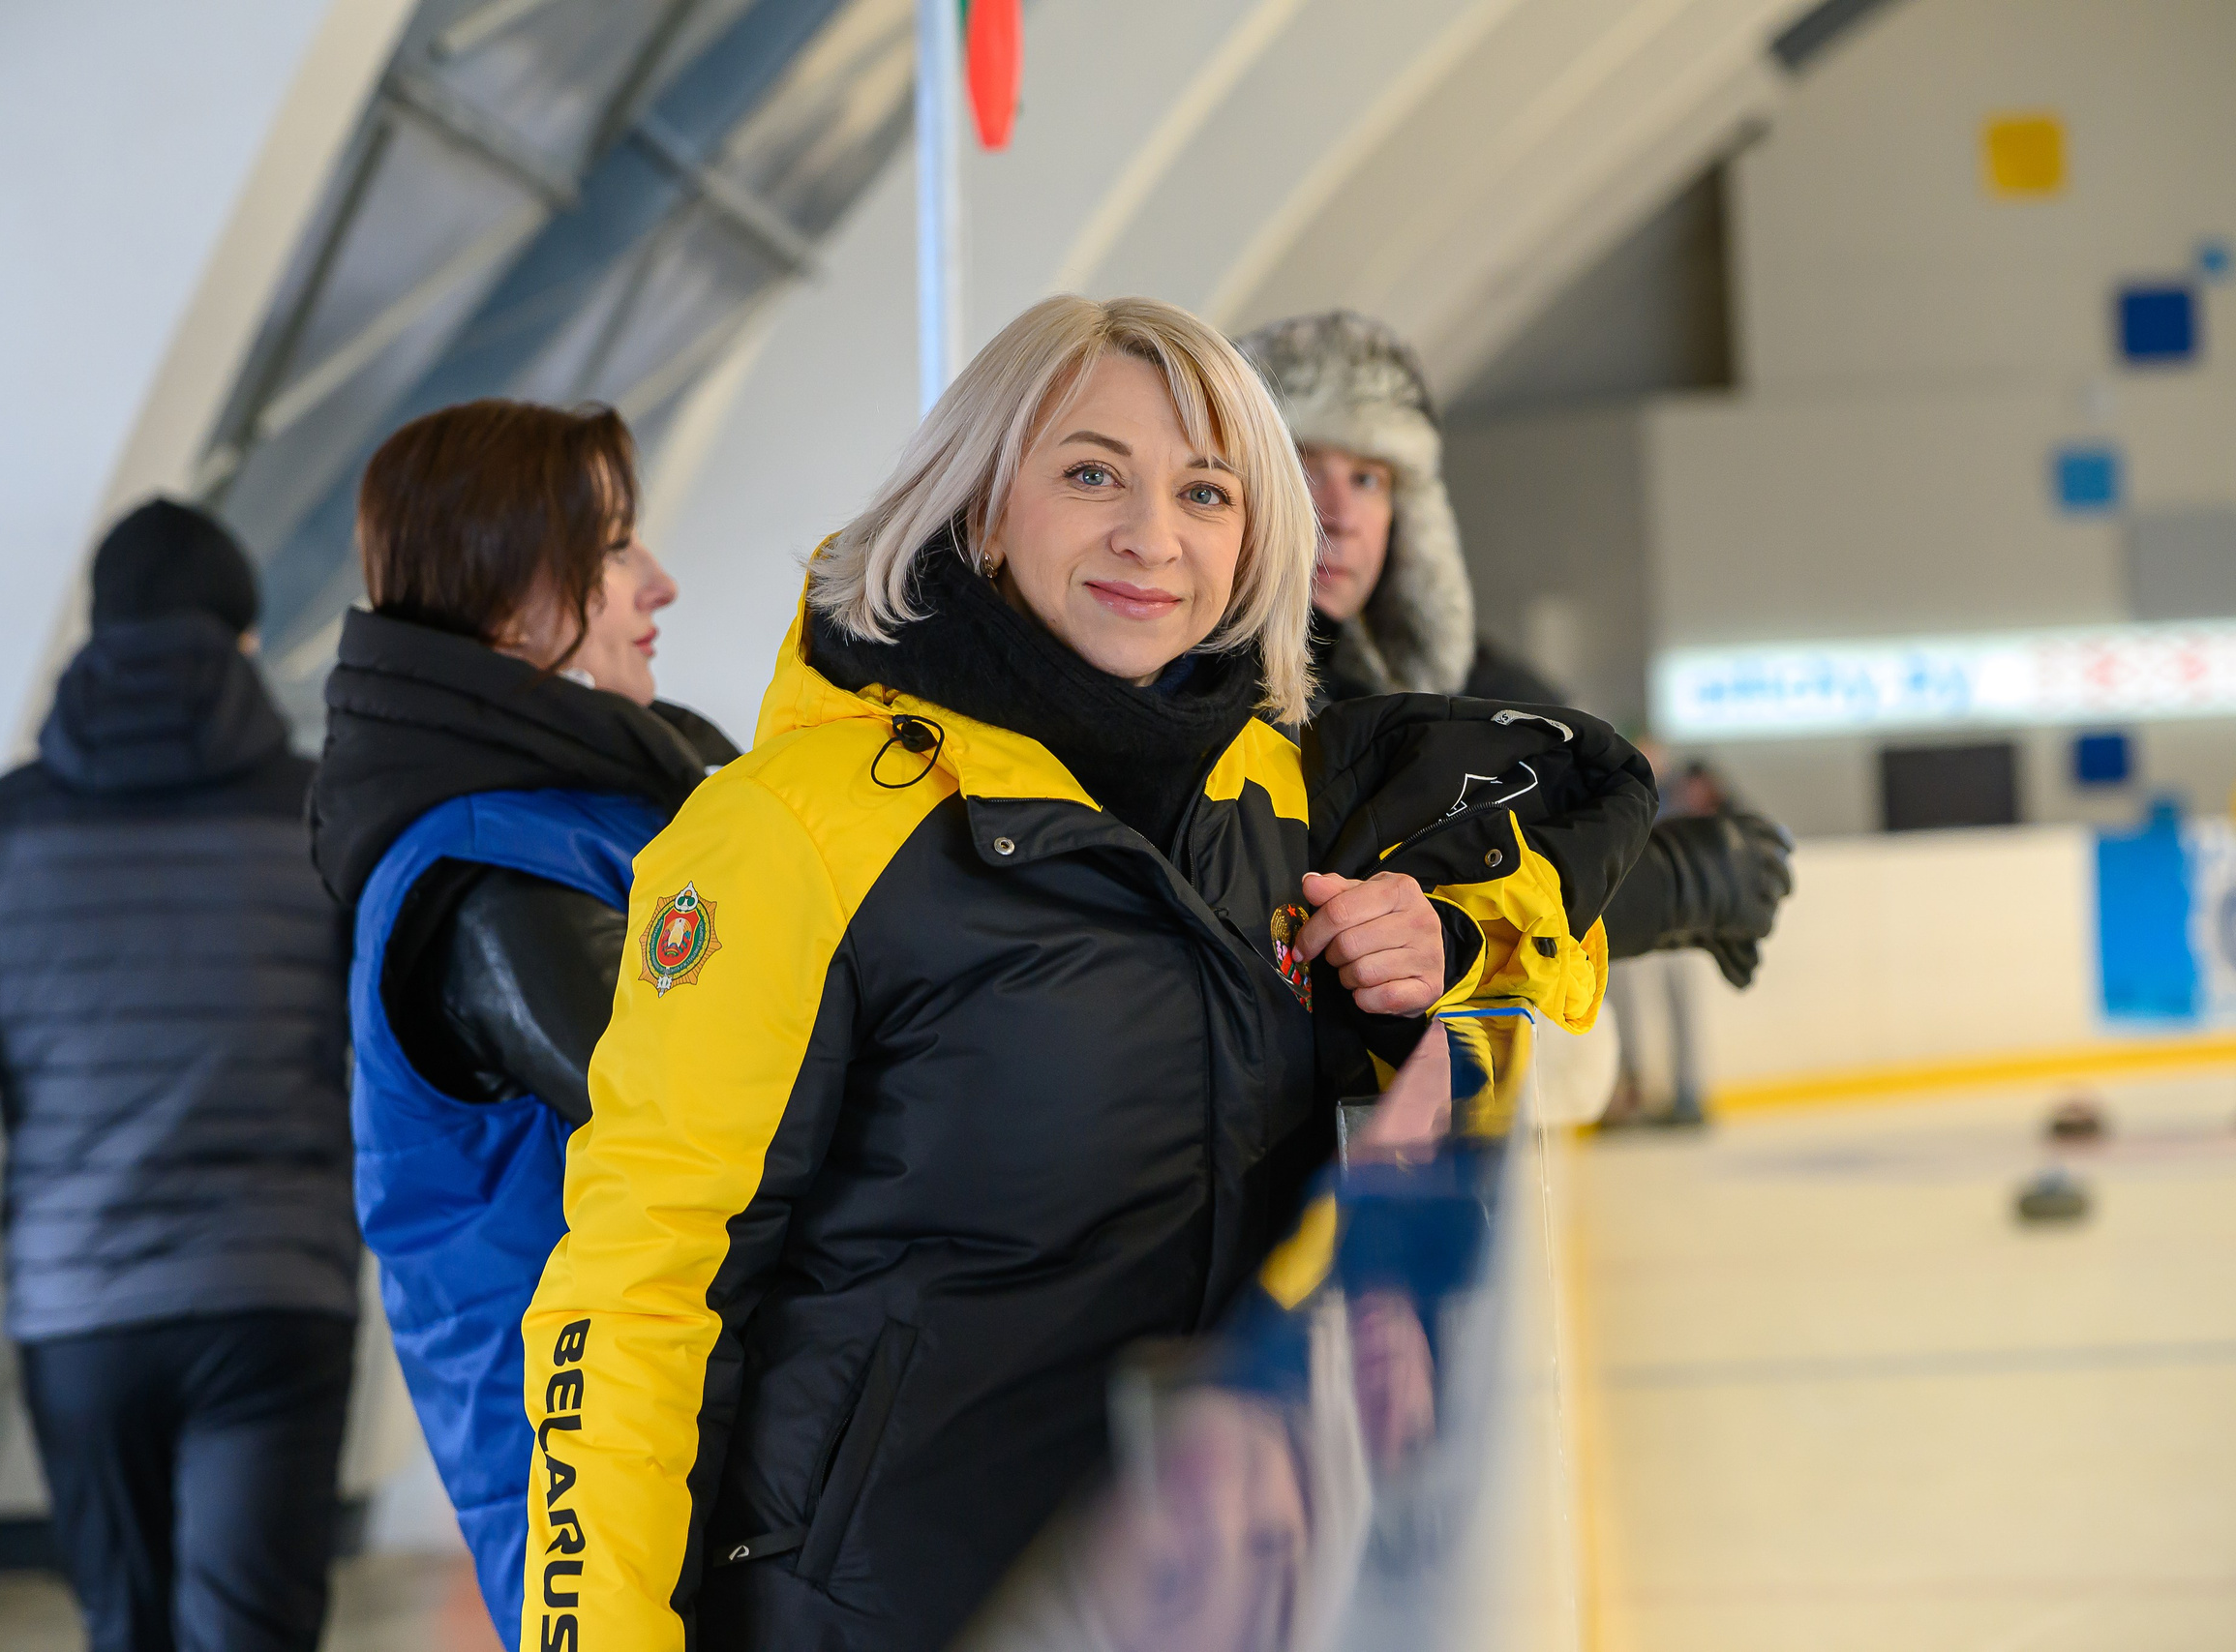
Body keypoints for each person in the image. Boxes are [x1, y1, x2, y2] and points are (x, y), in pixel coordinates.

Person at [516, 295, 1657, 1652]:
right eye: (1090, 472)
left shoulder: (1281, 802)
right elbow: (638, 1284)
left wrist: (1448, 939)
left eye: (1206, 490)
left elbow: (1566, 896)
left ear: (1252, 541)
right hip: (892, 1608)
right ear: (984, 505)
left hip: (1197, 1588)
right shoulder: (793, 831)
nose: (1151, 535)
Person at [0, 500, 357, 1652]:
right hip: (276, 1291)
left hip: (82, 1307)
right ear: (243, 643)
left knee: (124, 1627)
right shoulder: (321, 815)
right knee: (254, 1631)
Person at [305, 400, 736, 1650]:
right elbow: (734, 1105)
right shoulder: (487, 875)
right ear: (504, 601)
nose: (656, 580)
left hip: (670, 1450)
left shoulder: (586, 807)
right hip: (606, 1490)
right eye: (609, 549)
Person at [1237, 310, 1794, 991]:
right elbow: (1404, 901)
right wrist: (1670, 887)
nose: (1341, 515)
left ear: (1408, 517)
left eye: (1368, 479)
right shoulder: (1236, 687)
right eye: (1305, 469)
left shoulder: (1409, 677)